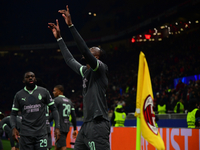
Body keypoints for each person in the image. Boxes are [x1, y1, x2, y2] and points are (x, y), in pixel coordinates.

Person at [48, 5, 110, 150]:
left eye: (90, 51)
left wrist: (71, 26)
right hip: (87, 125)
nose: (87, 51)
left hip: (98, 125)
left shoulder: (100, 68)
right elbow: (70, 61)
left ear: (96, 57)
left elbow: (82, 48)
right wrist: (59, 39)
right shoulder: (85, 71)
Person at [10, 71, 61, 150]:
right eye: (28, 77)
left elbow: (54, 109)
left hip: (41, 134)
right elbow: (13, 114)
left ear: (35, 79)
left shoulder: (44, 92)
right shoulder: (19, 95)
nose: (30, 78)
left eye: (32, 76)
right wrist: (13, 127)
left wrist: (57, 127)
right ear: (23, 81)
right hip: (25, 135)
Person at [50, 85, 77, 150]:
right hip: (66, 126)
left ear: (59, 92)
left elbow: (53, 114)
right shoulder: (69, 101)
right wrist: (75, 128)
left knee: (62, 146)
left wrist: (46, 122)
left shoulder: (56, 100)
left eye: (54, 91)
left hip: (60, 127)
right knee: (58, 145)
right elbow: (73, 115)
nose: (53, 92)